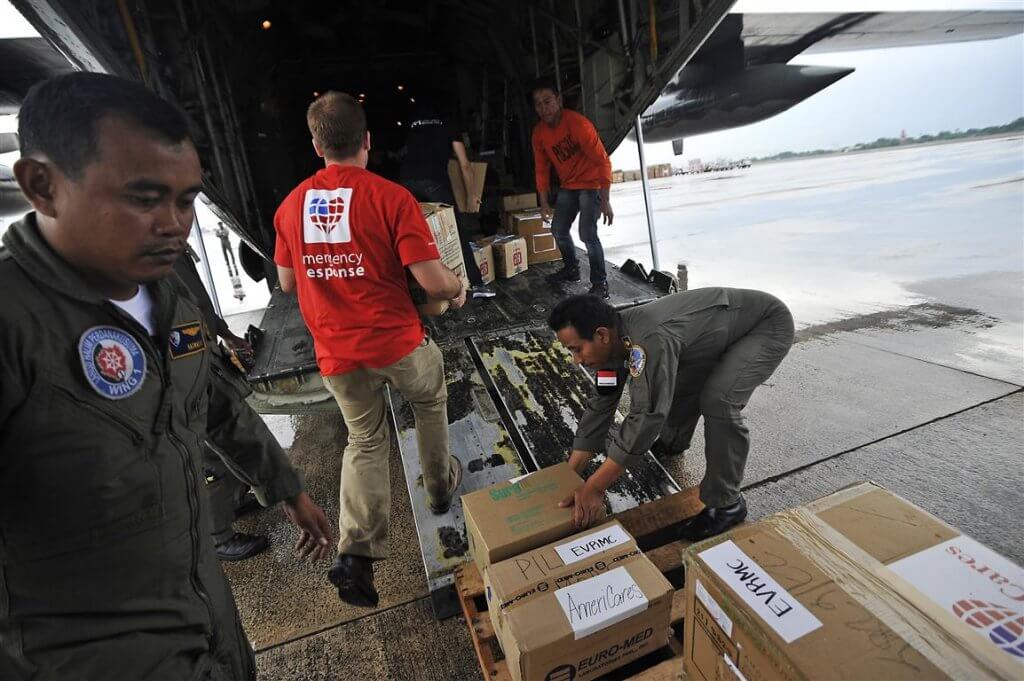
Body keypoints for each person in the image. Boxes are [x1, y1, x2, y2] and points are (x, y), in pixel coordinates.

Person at [0, 72, 334, 681]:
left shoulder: (167, 299)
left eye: (185, 201)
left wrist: (285, 487)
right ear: (42, 186)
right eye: (143, 198)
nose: (173, 224)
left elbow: (213, 403)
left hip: (201, 614)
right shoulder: (13, 326)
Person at [274, 91, 465, 608]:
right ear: (368, 141)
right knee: (428, 401)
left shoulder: (291, 206)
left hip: (337, 354)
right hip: (396, 342)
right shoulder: (391, 197)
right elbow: (432, 281)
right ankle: (440, 489)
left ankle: (356, 554)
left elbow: (288, 284)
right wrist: (455, 284)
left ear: (317, 145)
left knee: (365, 441)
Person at [548, 289, 794, 540]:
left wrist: (595, 487)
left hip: (765, 326)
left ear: (601, 335)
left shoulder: (647, 340)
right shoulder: (612, 342)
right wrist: (570, 475)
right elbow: (601, 403)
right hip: (718, 333)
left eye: (577, 349)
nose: (576, 360)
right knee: (671, 381)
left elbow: (647, 414)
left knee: (719, 401)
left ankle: (727, 503)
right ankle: (674, 441)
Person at [174, 247, 272, 562]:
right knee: (208, 456)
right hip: (178, 364)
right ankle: (218, 537)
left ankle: (234, 498)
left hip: (199, 346)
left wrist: (224, 334)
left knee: (228, 433)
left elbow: (196, 298)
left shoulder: (165, 238)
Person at [399, 99, 495, 299]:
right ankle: (477, 284)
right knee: (455, 231)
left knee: (409, 234)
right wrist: (472, 196)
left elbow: (405, 153)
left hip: (406, 181)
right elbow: (465, 165)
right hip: (434, 182)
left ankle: (407, 290)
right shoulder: (450, 125)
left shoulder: (414, 124)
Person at [530, 78, 614, 298]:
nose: (543, 108)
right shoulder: (539, 133)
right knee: (558, 229)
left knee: (587, 234)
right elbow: (541, 169)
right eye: (538, 104)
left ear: (559, 100)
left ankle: (600, 284)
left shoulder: (578, 125)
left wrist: (604, 200)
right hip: (569, 186)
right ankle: (572, 269)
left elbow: (603, 161)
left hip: (591, 185)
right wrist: (544, 201)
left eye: (547, 101)